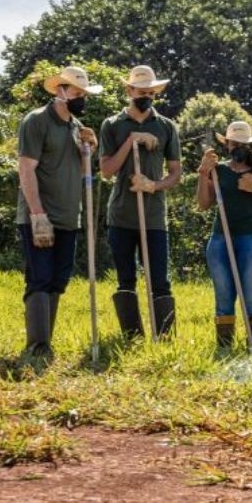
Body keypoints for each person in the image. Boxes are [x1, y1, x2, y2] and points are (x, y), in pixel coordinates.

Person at [15, 65, 103, 367]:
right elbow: (26, 169)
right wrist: (37, 214)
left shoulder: (78, 128)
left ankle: (46, 342)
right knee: (39, 278)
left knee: (58, 280)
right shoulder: (37, 121)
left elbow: (82, 172)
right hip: (40, 215)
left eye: (84, 93)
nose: (81, 98)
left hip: (68, 216)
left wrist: (90, 149)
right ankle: (37, 346)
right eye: (77, 92)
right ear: (60, 91)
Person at [98, 65, 182, 338]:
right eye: (141, 91)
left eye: (150, 92)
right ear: (129, 90)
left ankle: (164, 338)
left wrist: (153, 185)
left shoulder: (166, 126)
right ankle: (132, 337)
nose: (146, 96)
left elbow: (176, 173)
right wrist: (132, 140)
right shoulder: (112, 125)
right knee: (126, 280)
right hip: (121, 215)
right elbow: (106, 170)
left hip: (154, 216)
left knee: (160, 281)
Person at [196, 121, 252, 350]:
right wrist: (203, 174)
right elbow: (204, 204)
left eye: (243, 144)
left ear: (250, 145)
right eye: (234, 143)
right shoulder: (218, 171)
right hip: (221, 240)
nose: (238, 147)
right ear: (227, 145)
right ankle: (224, 349)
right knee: (224, 296)